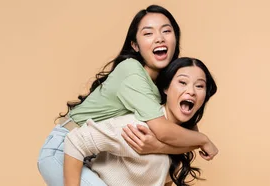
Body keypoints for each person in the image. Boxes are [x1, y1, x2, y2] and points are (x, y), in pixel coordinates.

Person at [37, 5, 218, 186]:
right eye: (148, 33)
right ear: (135, 45)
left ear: (175, 40)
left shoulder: (162, 87)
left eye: (166, 31)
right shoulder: (132, 71)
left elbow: (185, 135)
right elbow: (166, 132)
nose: (159, 38)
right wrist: (203, 140)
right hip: (62, 149)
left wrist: (162, 146)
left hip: (87, 155)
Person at [65, 57, 218, 186]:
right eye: (182, 83)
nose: (191, 91)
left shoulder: (183, 142)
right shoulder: (138, 127)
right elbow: (75, 141)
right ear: (166, 88)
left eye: (199, 86)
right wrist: (204, 140)